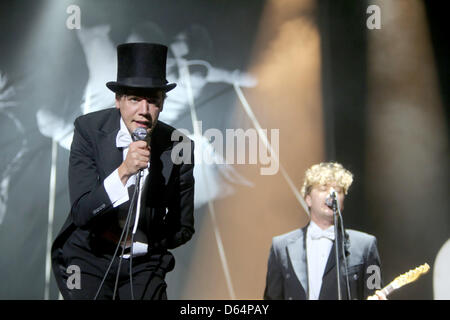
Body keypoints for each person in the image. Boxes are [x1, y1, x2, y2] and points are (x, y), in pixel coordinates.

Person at [51, 43, 195, 300]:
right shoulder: (88, 131)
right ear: (118, 100)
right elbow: (82, 213)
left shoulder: (179, 146)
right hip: (89, 255)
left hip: (142, 262)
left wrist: (145, 244)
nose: (143, 110)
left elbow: (183, 226)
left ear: (162, 103)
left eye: (152, 100)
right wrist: (125, 171)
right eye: (134, 99)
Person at [264, 162, 385, 300]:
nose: (332, 194)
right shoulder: (281, 246)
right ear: (308, 199)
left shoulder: (365, 245)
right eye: (323, 189)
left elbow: (375, 289)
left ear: (343, 201)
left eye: (338, 191)